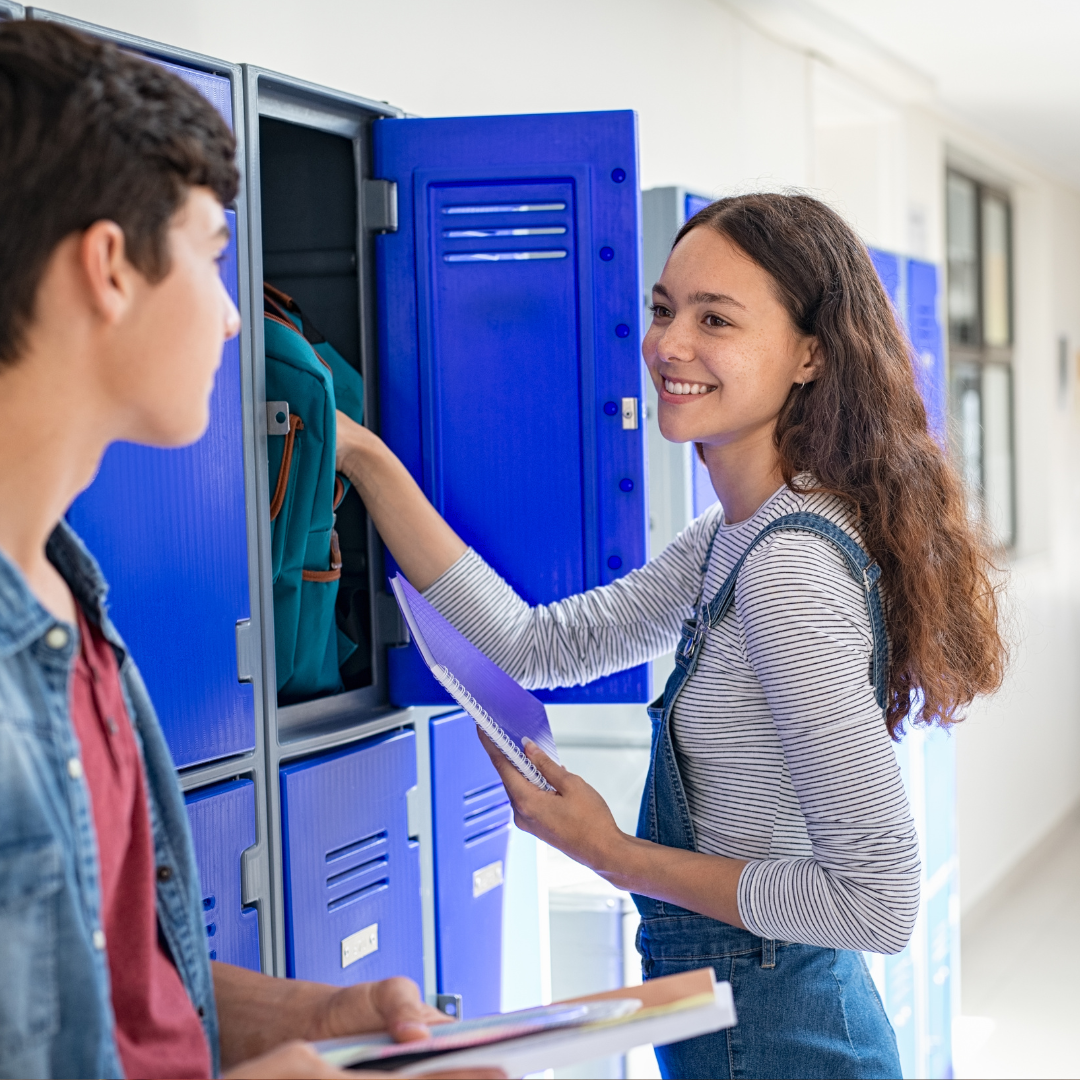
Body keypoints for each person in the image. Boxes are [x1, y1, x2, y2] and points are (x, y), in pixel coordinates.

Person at [336, 192, 1007, 1078]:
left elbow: (876, 901)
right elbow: (538, 648)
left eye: (715, 319)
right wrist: (364, 458)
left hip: (784, 1038)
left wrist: (612, 855)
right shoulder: (734, 536)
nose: (668, 345)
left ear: (811, 354)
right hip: (740, 1014)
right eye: (663, 309)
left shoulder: (786, 572)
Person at [0, 21, 502, 1080]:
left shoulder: (68, 603)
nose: (236, 320)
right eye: (216, 255)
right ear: (109, 268)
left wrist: (320, 1014)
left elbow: (110, 991)